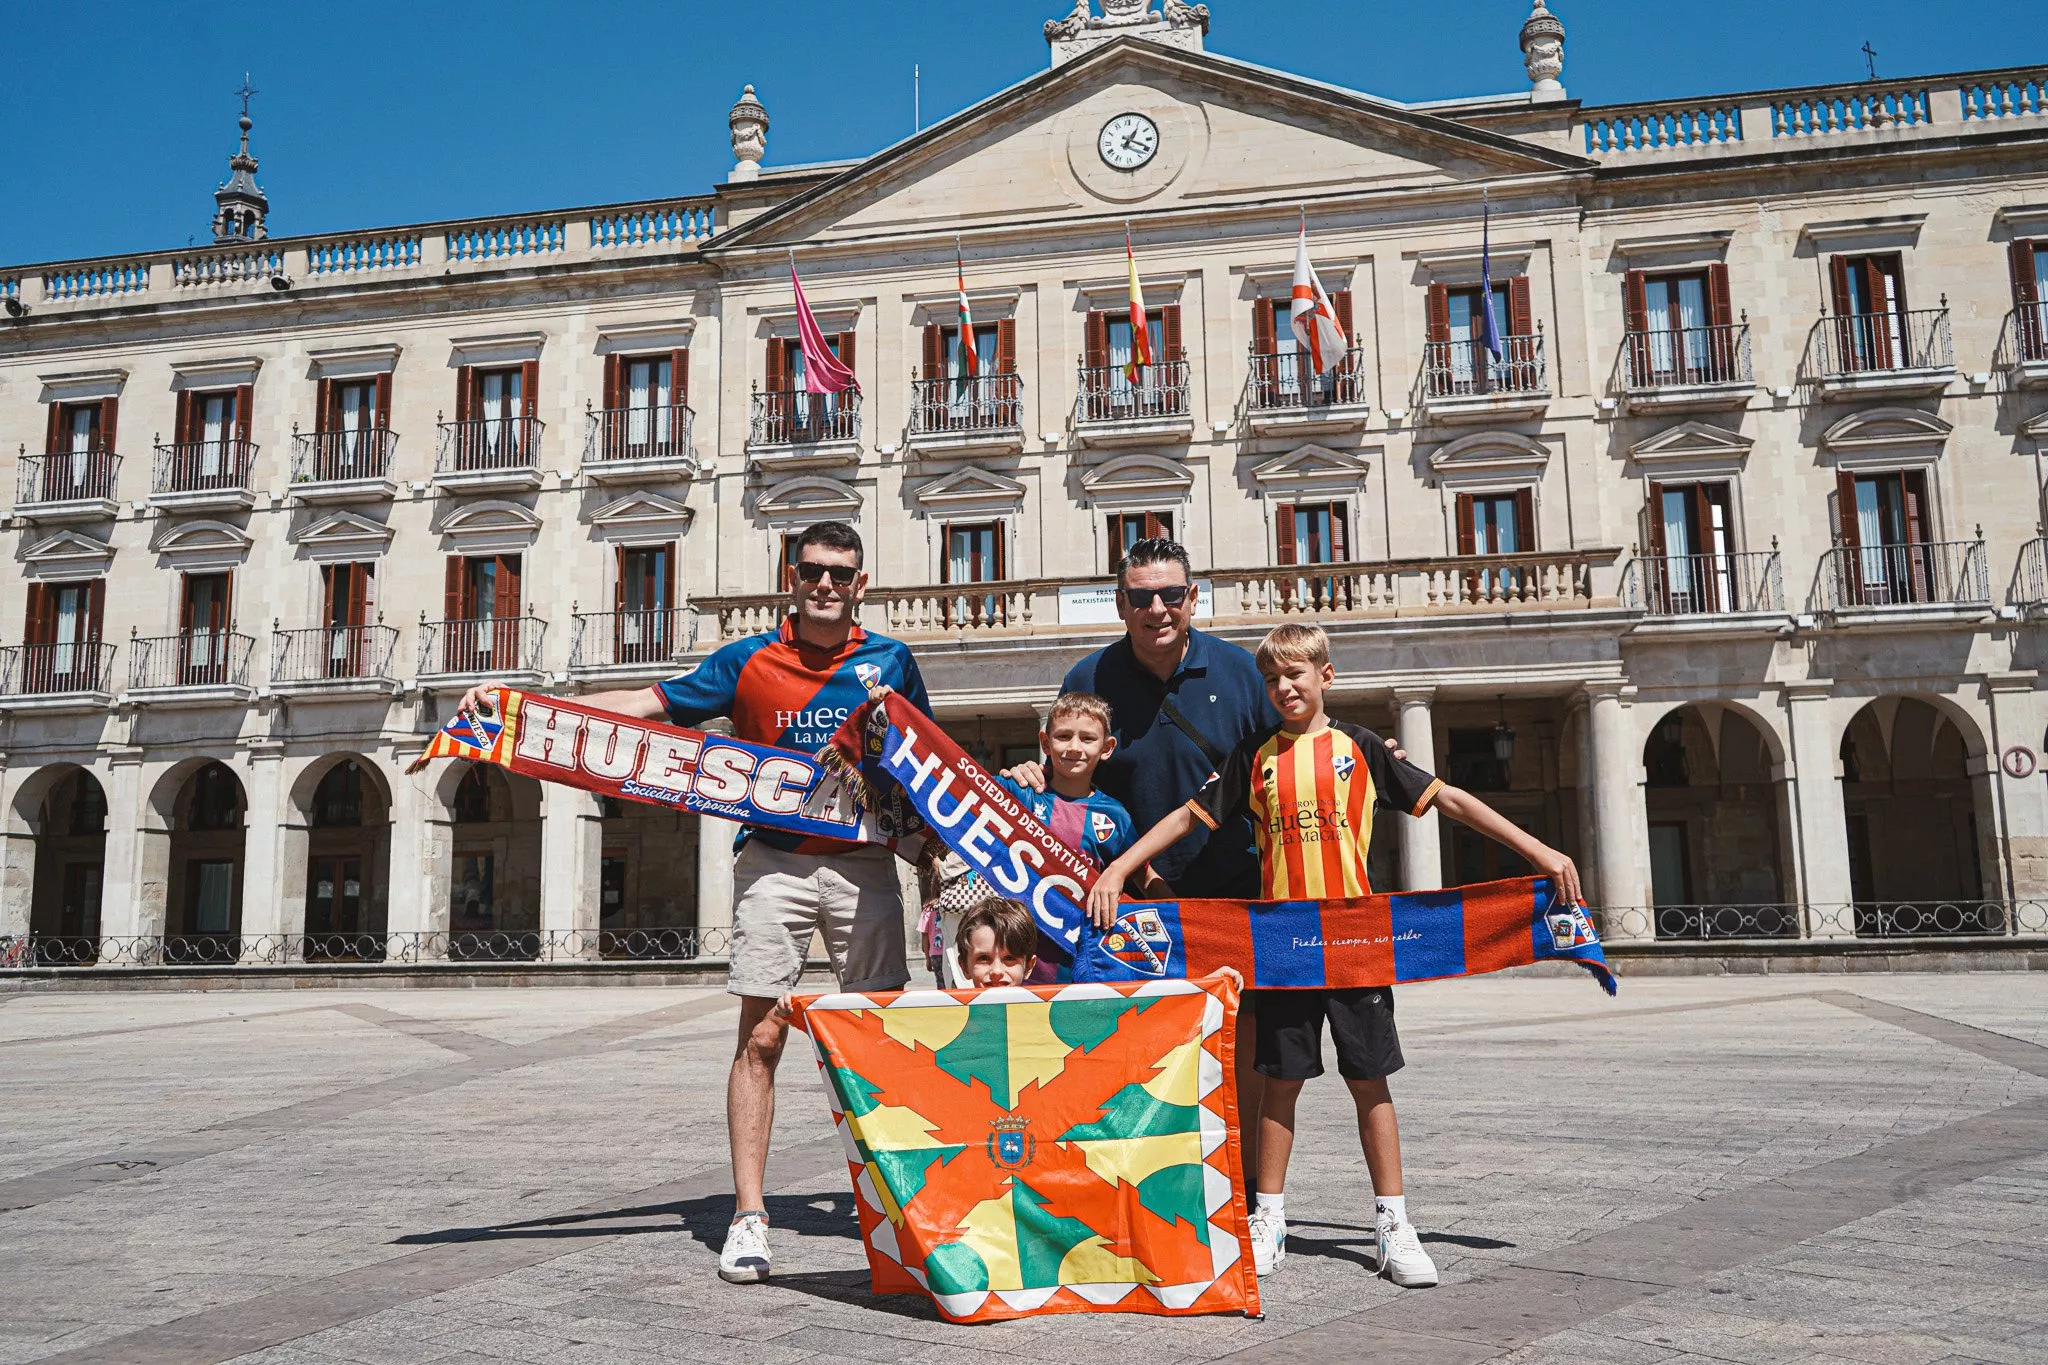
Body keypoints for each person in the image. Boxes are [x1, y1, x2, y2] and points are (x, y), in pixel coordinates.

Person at [456, 520, 931, 1286]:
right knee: (762, 1038)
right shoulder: (748, 660)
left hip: (865, 868)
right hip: (773, 862)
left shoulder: (892, 660)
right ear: (792, 576)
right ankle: (749, 1215)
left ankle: (901, 1203)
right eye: (813, 570)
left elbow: (928, 755)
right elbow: (648, 704)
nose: (826, 584)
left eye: (841, 574)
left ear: (861, 584)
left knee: (881, 1040)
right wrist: (526, 708)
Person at [1087, 622, 1582, 1289]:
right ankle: (1269, 1218)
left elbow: (1449, 799)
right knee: (1279, 1084)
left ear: (1326, 675)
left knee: (1369, 1080)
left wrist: (1539, 850)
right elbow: (1185, 816)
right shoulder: (1253, 755)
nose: (1283, 687)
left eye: (1295, 674)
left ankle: (1393, 1222)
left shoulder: (1363, 747)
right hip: (1284, 947)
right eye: (1271, 679)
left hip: (1354, 943)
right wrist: (1120, 867)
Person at [1002, 537, 1400, 1171]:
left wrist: (1374, 753)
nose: (1157, 609)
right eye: (1141, 598)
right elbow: (1074, 767)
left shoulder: (1242, 672)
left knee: (1243, 1043)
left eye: (1170, 594)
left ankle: (1243, 1184)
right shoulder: (1088, 679)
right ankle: (1143, 1175)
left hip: (1239, 890)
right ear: (1120, 604)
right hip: (1134, 900)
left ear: (1192, 598)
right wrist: (1032, 773)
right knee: (1141, 1043)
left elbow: (1296, 743)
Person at [987, 693, 1149, 983]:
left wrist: (1191, 922)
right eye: (1063, 736)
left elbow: (1143, 876)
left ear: (1107, 748)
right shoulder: (1018, 790)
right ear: (1045, 742)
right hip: (1014, 965)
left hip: (1083, 964)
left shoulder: (1115, 816)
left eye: (1087, 738)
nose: (1074, 747)